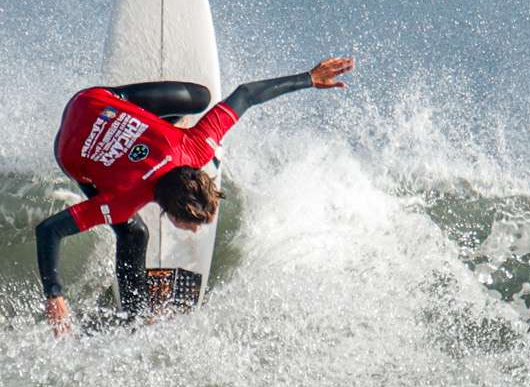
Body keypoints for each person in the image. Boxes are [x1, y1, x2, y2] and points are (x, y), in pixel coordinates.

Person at [36, 56, 355, 333]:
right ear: (172, 212)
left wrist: (309, 79)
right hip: (70, 152)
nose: (195, 228)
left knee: (200, 98)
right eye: (191, 223)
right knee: (134, 233)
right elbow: (48, 231)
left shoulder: (197, 144)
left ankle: (150, 124)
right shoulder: (121, 201)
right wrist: (55, 295)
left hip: (94, 101)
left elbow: (245, 95)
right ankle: (136, 317)